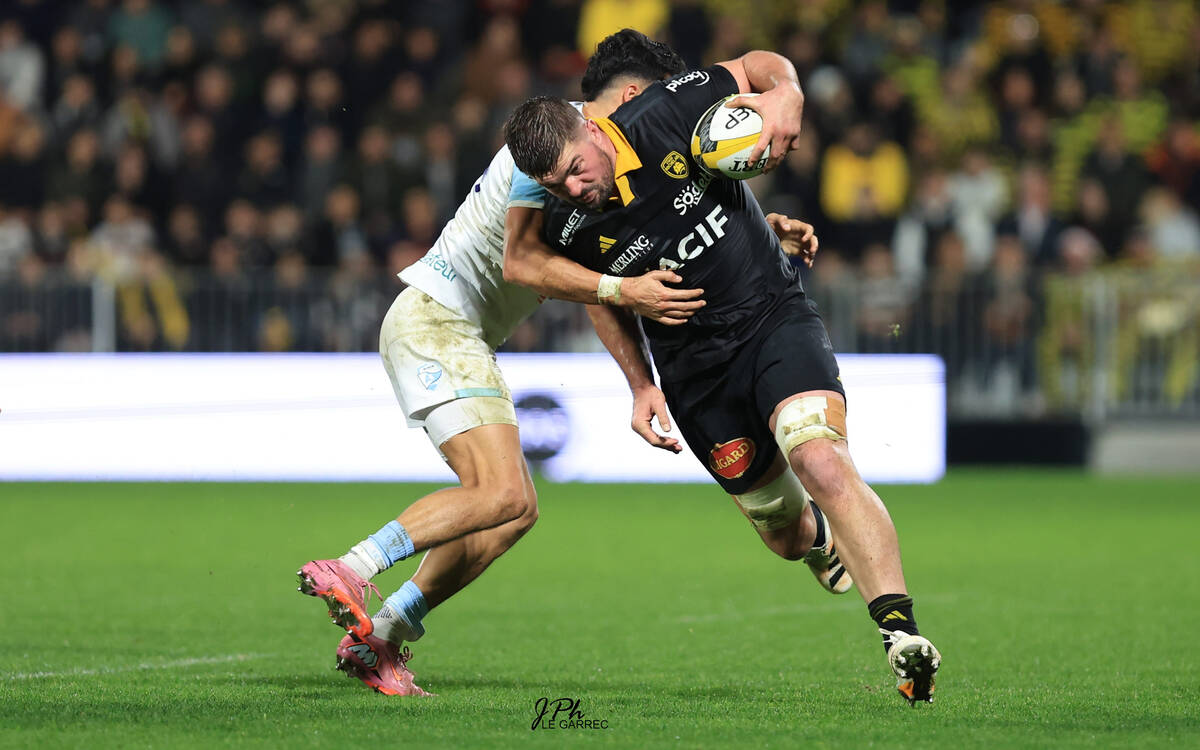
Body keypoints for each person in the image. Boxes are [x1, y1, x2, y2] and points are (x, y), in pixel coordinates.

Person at [294, 30, 824, 698]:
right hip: (437, 323)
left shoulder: (592, 167)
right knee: (503, 494)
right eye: (653, 96)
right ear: (631, 96)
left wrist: (752, 233)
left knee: (514, 511)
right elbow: (527, 264)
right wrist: (623, 292)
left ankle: (383, 634)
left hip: (457, 332)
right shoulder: (546, 145)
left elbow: (616, 262)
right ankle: (353, 566)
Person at [503, 50, 941, 704]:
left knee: (819, 457)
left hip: (771, 318)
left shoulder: (665, 114)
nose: (572, 187)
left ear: (591, 130)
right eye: (553, 183)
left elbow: (760, 65)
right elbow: (594, 295)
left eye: (573, 168)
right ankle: (820, 542)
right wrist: (640, 383)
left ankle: (900, 635)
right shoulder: (564, 222)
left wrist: (785, 95)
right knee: (785, 534)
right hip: (696, 377)